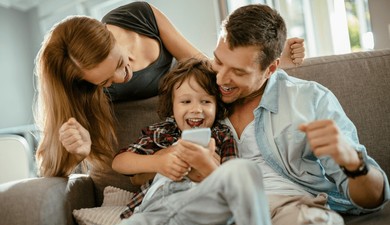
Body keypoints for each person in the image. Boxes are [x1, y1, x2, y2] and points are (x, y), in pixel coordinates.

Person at [165, 4, 390, 225]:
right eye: (218, 61)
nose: (221, 79)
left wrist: (352, 163)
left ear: (271, 69)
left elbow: (373, 199)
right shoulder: (200, 96)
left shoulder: (309, 99)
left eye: (238, 72)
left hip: (296, 210)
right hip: (223, 216)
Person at [34, 1, 305, 178]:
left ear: (109, 36)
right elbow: (96, 158)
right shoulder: (86, 89)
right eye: (106, 82)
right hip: (161, 148)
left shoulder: (140, 15)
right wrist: (80, 151)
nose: (122, 77)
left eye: (119, 63)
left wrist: (269, 61)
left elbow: (205, 68)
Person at [75, 58, 275, 225]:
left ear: (217, 105)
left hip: (202, 206)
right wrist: (158, 162)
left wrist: (206, 167)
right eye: (186, 101)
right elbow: (120, 162)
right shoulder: (163, 131)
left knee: (244, 169)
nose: (196, 109)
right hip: (158, 209)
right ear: (173, 106)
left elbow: (233, 186)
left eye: (206, 101)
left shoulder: (221, 134)